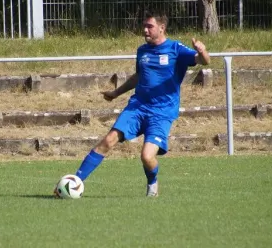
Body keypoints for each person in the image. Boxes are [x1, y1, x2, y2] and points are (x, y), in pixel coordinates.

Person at [59, 11, 210, 197]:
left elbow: (203, 61)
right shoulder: (142, 51)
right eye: (144, 26)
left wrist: (202, 51)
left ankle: (152, 182)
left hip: (162, 113)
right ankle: (74, 182)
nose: (145, 29)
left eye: (150, 26)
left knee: (147, 157)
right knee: (108, 140)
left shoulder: (176, 49)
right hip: (137, 107)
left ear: (162, 28)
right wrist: (116, 93)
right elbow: (138, 77)